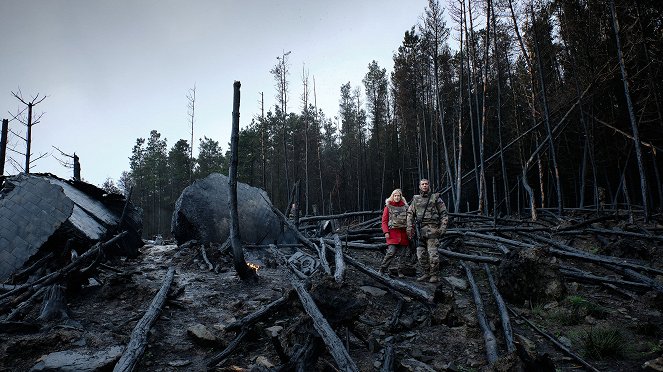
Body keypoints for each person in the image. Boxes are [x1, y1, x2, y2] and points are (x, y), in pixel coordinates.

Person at [406, 179, 449, 283]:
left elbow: (444, 214)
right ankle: (426, 273)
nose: (424, 186)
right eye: (422, 184)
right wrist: (409, 226)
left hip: (433, 230)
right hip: (420, 231)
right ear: (419, 186)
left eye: (426, 184)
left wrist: (443, 227)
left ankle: (434, 275)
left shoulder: (435, 198)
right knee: (420, 254)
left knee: (433, 253)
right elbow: (410, 213)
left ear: (429, 185)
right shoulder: (415, 199)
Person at [378, 189, 410, 277]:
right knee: (391, 252)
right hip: (392, 234)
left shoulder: (406, 207)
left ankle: (400, 271)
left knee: (403, 255)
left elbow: (410, 221)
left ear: (401, 196)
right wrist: (386, 232)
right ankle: (382, 269)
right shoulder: (388, 207)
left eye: (398, 195)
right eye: (395, 195)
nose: (397, 197)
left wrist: (410, 231)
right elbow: (384, 222)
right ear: (392, 196)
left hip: (404, 234)